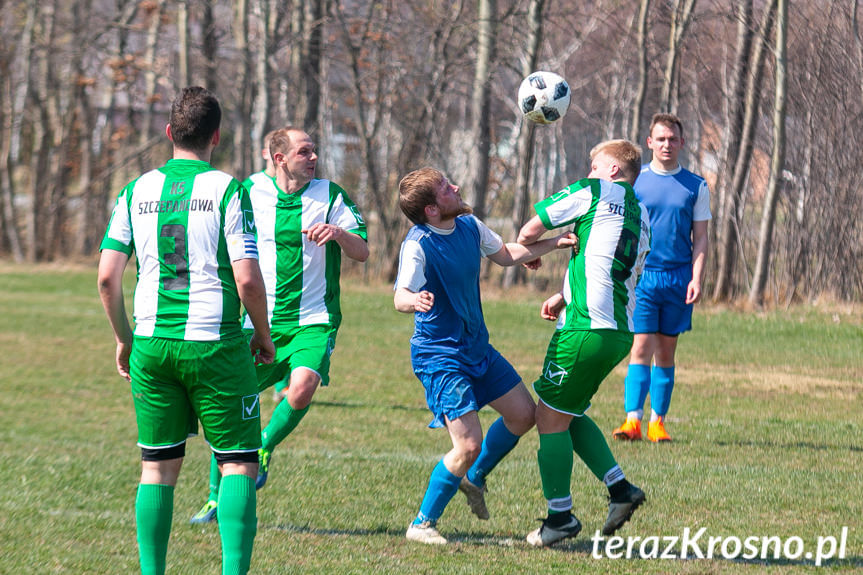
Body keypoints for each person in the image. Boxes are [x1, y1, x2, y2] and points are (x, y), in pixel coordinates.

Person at [97, 86, 274, 574]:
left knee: (157, 465)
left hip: (152, 345)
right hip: (214, 344)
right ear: (216, 135)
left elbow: (108, 276)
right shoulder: (229, 189)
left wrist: (123, 338)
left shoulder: (135, 190)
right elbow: (247, 278)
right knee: (238, 461)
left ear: (170, 132)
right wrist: (262, 333)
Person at [190, 126, 369, 523]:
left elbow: (363, 251)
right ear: (279, 158)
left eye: (315, 150)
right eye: (305, 151)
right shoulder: (248, 191)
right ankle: (215, 498)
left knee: (303, 386)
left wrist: (339, 233)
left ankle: (263, 448)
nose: (314, 157)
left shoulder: (330, 195)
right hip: (259, 322)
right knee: (233, 409)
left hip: (315, 319)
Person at [394, 167, 577, 545]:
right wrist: (415, 299)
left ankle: (473, 477)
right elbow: (399, 296)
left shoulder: (469, 225)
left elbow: (508, 254)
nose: (456, 187)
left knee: (525, 415)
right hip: (440, 356)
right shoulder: (418, 244)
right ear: (431, 209)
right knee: (467, 445)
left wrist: (555, 243)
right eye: (446, 188)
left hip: (477, 347)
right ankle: (422, 524)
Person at [516, 139, 651, 547]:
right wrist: (565, 294)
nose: (590, 172)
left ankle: (560, 517)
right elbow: (612, 265)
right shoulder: (642, 215)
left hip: (585, 329)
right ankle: (620, 490)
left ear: (612, 170)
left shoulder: (593, 190)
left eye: (595, 166)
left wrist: (529, 252)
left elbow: (530, 228)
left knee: (548, 419)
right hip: (619, 330)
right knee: (567, 413)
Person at [612, 113, 711, 443]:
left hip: (678, 278)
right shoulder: (635, 182)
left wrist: (696, 278)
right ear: (650, 142)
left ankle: (658, 422)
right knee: (640, 346)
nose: (667, 144)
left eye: (673, 139)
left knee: (666, 352)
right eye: (661, 139)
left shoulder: (696, 186)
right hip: (642, 278)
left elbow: (701, 238)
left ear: (682, 143)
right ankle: (632, 421)